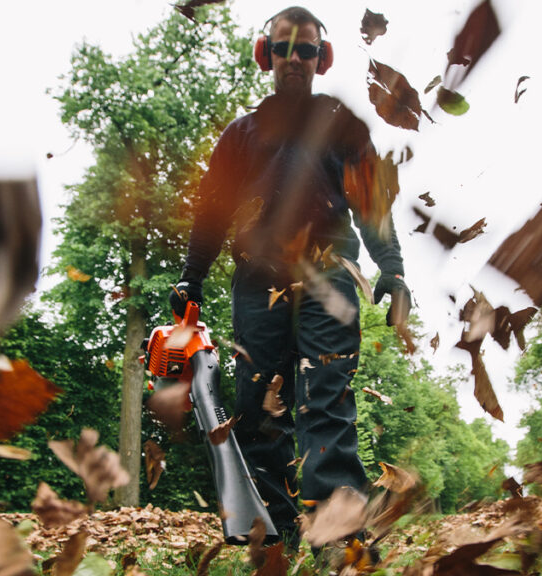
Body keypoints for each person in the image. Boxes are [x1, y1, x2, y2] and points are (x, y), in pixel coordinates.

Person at [169, 6, 410, 551]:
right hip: (256, 284)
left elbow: (372, 205)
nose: (294, 58)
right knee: (258, 412)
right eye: (283, 48)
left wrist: (391, 268)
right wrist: (192, 278)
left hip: (329, 275)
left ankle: (340, 539)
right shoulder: (241, 135)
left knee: (326, 400)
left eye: (306, 50)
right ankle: (272, 544)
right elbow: (210, 214)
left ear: (321, 59)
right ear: (266, 56)